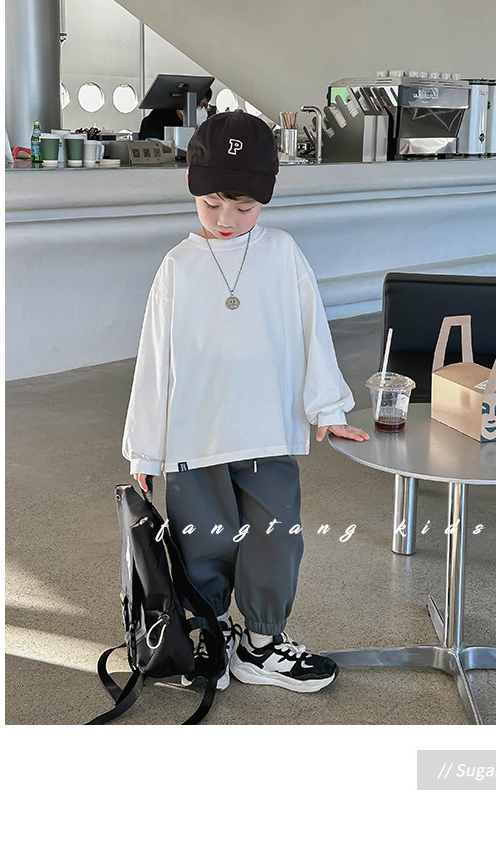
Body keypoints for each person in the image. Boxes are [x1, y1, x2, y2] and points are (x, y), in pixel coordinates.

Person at [122, 110, 369, 696]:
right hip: (195, 434)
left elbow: (312, 329)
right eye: (211, 204)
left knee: (274, 539)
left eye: (244, 207)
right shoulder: (178, 266)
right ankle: (206, 634)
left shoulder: (282, 252)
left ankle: (261, 643)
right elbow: (154, 359)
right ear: (192, 187)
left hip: (267, 430)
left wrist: (329, 408)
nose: (226, 220)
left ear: (265, 199)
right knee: (200, 543)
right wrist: (145, 448)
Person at [138, 88, 214, 140]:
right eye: (199, 104)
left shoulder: (192, 129)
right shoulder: (154, 122)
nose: (200, 109)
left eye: (204, 105)